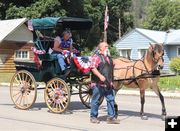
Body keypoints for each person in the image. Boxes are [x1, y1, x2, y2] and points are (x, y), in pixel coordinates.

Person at [90, 41, 120, 124]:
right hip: (98, 84)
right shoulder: (96, 57)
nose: (107, 48)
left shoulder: (109, 58)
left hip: (108, 84)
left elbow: (110, 71)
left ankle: (111, 117)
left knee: (111, 100)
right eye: (106, 46)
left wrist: (111, 81)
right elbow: (93, 68)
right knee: (96, 101)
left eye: (108, 46)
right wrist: (100, 76)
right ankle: (93, 117)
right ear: (101, 48)